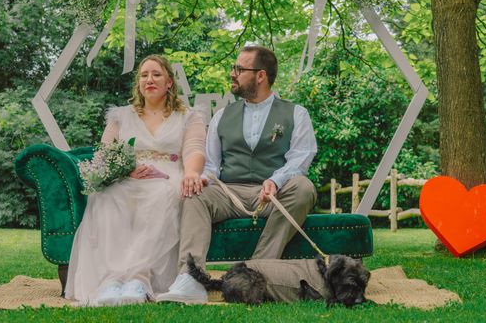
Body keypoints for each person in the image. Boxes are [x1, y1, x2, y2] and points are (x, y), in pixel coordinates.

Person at [157, 45, 318, 304]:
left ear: (261, 76)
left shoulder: (296, 113)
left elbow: (301, 158)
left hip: (271, 197)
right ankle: (190, 279)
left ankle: (256, 271)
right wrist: (202, 179)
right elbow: (210, 165)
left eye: (239, 69)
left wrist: (275, 181)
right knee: (195, 192)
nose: (233, 73)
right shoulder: (222, 115)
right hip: (229, 193)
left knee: (304, 187)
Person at [65, 55, 206, 306]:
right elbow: (105, 152)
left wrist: (192, 173)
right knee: (107, 195)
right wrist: (127, 170)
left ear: (170, 82)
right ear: (138, 83)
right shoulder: (121, 116)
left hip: (168, 174)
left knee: (162, 195)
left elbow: (194, 149)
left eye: (156, 74)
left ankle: (139, 280)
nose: (149, 80)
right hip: (128, 176)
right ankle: (111, 281)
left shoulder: (189, 116)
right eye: (143, 75)